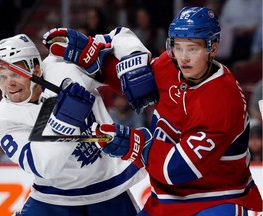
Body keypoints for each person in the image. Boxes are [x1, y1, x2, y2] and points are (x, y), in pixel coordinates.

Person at [43, 6, 263, 215]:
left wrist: (135, 143)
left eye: (193, 48)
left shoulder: (221, 101)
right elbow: (138, 86)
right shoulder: (172, 63)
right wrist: (93, 58)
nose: (183, 57)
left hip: (216, 199)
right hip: (165, 199)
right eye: (178, 46)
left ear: (212, 48)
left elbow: (176, 169)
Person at [0, 34, 147, 215]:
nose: (9, 83)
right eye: (1, 76)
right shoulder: (6, 118)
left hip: (107, 187)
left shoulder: (63, 67)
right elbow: (43, 167)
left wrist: (132, 58)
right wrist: (65, 119)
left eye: (16, 73)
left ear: (37, 69)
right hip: (53, 199)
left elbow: (120, 35)